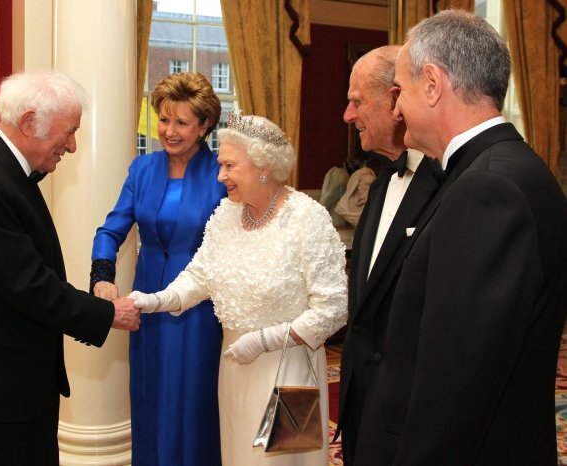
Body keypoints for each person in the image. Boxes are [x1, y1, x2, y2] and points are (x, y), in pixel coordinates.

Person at [351, 9, 567, 465]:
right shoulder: (498, 169)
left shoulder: (487, 189)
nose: (396, 109)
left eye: (401, 92)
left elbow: (455, 384)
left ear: (432, 84)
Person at [0, 69, 140, 466]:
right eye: (69, 131)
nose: (74, 146)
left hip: (12, 381)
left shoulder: (3, 170)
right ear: (29, 123)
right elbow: (27, 284)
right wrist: (107, 313)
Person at [129, 113, 349, 465]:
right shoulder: (227, 215)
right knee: (237, 455)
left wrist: (264, 340)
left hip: (286, 368)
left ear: (264, 167)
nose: (220, 176)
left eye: (229, 165)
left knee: (277, 460)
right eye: (220, 165)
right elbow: (200, 276)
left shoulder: (306, 218)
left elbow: (334, 307)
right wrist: (156, 300)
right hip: (234, 364)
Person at [89, 72, 225, 466]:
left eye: (182, 122)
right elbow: (110, 229)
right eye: (164, 119)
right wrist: (102, 277)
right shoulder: (141, 170)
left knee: (194, 396)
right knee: (150, 391)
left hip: (199, 306)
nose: (170, 130)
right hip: (146, 300)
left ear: (204, 126)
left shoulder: (221, 173)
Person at [335, 45, 446, 463]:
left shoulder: (450, 187)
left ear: (396, 101)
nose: (347, 116)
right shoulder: (381, 184)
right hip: (364, 409)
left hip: (410, 421)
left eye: (356, 101)